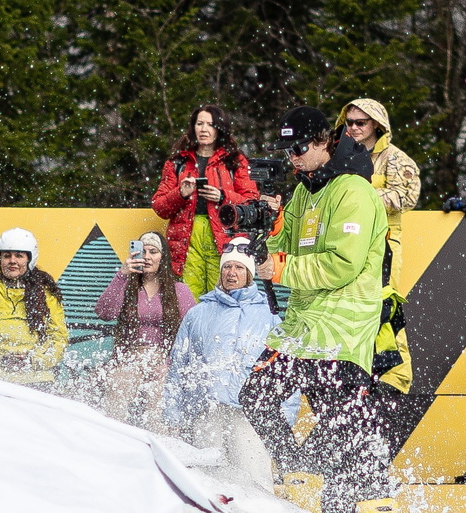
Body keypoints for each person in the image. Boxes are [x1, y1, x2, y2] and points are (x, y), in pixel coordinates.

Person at [239, 107, 392, 513]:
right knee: (256, 395)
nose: (292, 157)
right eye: (286, 150)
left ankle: (340, 487)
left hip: (341, 330)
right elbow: (277, 248)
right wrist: (265, 228)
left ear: (325, 141)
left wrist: (280, 267)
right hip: (303, 327)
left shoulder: (353, 191)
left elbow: (343, 264)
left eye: (299, 148)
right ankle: (297, 467)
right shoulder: (305, 191)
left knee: (343, 436)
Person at [162, 236, 280, 481]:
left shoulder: (269, 316)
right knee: (207, 482)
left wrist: (281, 423)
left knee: (255, 483)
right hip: (207, 411)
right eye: (227, 266)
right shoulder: (198, 314)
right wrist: (172, 414)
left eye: (239, 267)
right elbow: (179, 366)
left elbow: (281, 373)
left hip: (248, 415)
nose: (231, 273)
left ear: (249, 273)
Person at [152, 104, 259, 298]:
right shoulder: (177, 162)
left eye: (210, 124)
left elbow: (251, 202)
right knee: (188, 300)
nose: (204, 129)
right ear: (193, 127)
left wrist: (223, 197)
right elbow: (159, 206)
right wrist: (181, 193)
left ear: (220, 129)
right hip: (187, 239)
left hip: (226, 238)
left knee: (225, 298)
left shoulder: (235, 161)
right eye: (199, 123)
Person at [94, 230, 196, 426]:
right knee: (117, 385)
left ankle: (161, 438)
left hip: (164, 362)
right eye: (143, 251)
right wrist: (122, 274)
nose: (147, 257)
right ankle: (114, 435)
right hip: (130, 358)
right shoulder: (127, 286)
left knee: (160, 395)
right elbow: (104, 312)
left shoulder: (179, 290)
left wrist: (172, 362)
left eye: (153, 252)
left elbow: (192, 333)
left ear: (163, 257)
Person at [0, 227, 68, 388]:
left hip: (36, 379)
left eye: (19, 256)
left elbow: (58, 339)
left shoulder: (47, 296)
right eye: (6, 256)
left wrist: (33, 360)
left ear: (30, 259)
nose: (12, 261)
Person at [341, 98, 420, 292]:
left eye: (360, 123)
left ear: (376, 123)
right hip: (347, 239)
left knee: (383, 299)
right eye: (349, 122)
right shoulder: (341, 156)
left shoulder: (395, 158)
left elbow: (406, 198)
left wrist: (362, 197)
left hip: (384, 240)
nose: (354, 127)